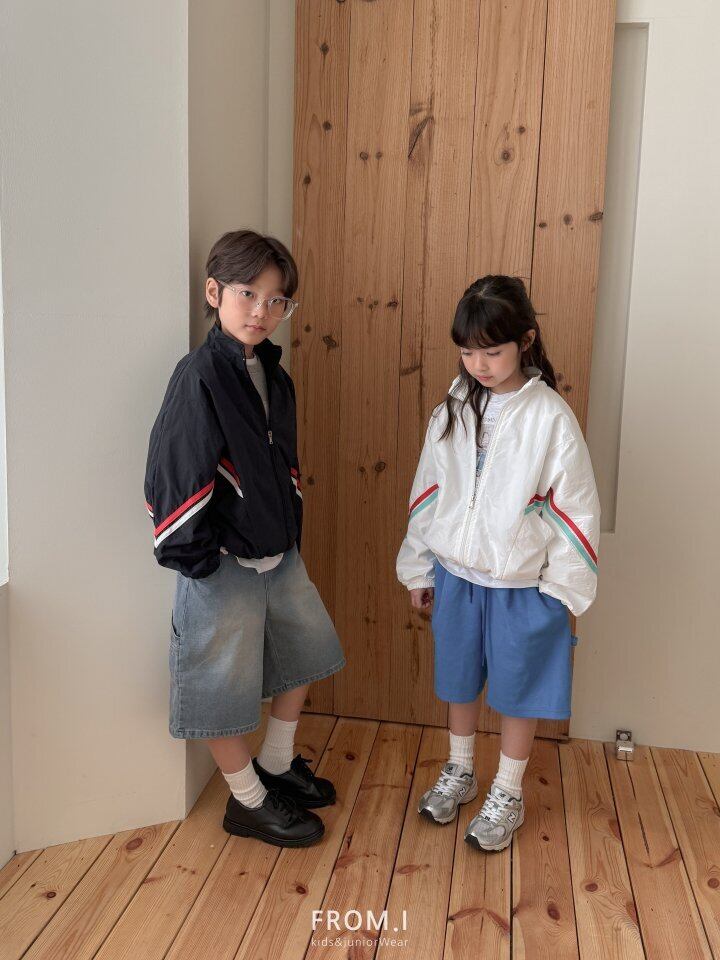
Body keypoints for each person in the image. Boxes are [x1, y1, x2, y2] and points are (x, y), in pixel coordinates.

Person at [144, 229, 346, 848]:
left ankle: (277, 764)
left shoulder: (274, 374)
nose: (261, 310)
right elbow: (174, 470)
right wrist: (200, 559)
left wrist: (287, 530)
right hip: (222, 563)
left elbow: (281, 463)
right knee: (218, 688)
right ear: (214, 292)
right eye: (247, 294)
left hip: (278, 553)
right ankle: (249, 802)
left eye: (276, 299)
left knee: (307, 651)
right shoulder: (199, 374)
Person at [396, 275, 600, 852]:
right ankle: (461, 771)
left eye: (491, 351)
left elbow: (575, 507)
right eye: (467, 352)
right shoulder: (454, 408)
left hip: (522, 585)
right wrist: (419, 567)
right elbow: (428, 492)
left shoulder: (551, 417)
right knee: (458, 680)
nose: (478, 365)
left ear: (525, 340)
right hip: (456, 577)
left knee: (518, 690)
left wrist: (562, 591)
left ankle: (508, 792)